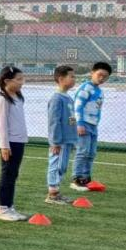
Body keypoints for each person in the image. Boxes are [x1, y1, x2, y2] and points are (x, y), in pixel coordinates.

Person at [0, 66, 29, 222]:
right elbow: (1, 125)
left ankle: (9, 205)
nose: (22, 82)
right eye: (19, 79)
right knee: (7, 174)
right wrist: (4, 145)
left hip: (19, 141)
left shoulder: (18, 97)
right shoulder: (3, 99)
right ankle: (1, 208)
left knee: (13, 174)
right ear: (7, 81)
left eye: (22, 79)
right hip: (10, 143)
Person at [71, 61, 111, 191]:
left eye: (105, 76)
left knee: (91, 153)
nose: (102, 78)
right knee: (82, 151)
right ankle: (77, 179)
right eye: (100, 75)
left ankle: (86, 178)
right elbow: (77, 106)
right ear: (92, 73)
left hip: (93, 126)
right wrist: (79, 123)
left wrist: (96, 124)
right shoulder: (85, 88)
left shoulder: (99, 91)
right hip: (83, 124)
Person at [45, 65, 77, 205]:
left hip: (68, 139)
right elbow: (54, 121)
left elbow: (71, 119)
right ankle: (52, 194)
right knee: (56, 165)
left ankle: (56, 192)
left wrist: (74, 137)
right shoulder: (57, 99)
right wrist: (55, 141)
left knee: (62, 166)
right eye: (72, 76)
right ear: (61, 79)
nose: (74, 79)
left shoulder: (68, 98)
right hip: (60, 140)